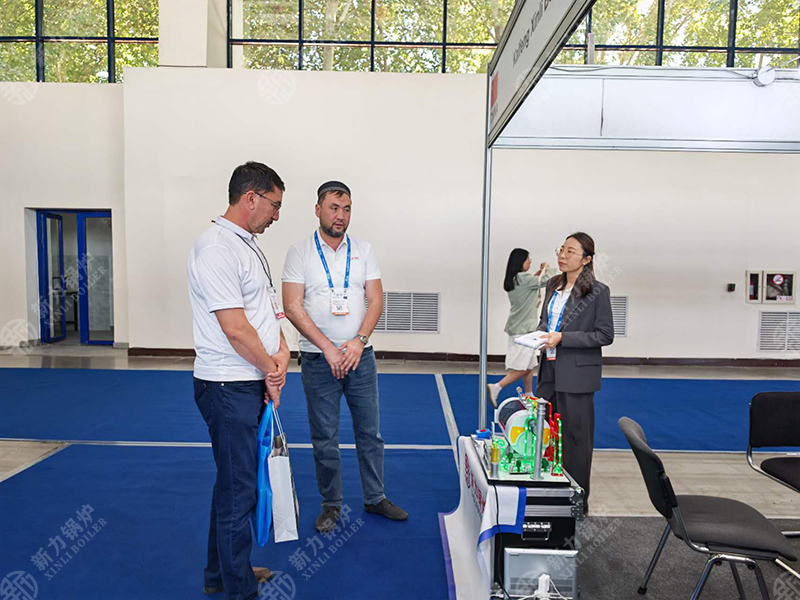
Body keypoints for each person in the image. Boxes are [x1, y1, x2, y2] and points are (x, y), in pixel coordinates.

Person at [188, 162, 291, 600]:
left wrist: (282, 353)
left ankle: (221, 574)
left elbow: (266, 313)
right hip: (228, 386)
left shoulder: (246, 246)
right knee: (239, 490)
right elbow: (234, 328)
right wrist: (271, 368)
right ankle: (239, 589)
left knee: (233, 484)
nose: (276, 215)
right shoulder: (216, 248)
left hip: (248, 381)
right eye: (274, 205)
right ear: (251, 198)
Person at [282, 180, 408, 533]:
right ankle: (331, 504)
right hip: (318, 359)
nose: (341, 215)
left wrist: (358, 341)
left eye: (347, 209)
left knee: (370, 433)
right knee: (325, 438)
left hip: (359, 357)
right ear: (318, 210)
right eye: (334, 208)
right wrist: (328, 348)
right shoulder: (300, 252)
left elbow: (376, 299)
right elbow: (292, 306)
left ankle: (375, 497)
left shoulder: (363, 250)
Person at [536, 232, 614, 515]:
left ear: (586, 259)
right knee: (548, 436)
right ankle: (552, 493)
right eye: (562, 249)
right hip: (549, 371)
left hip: (577, 376)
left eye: (571, 251)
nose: (563, 256)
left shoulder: (597, 292)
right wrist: (539, 335)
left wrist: (563, 338)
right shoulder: (552, 285)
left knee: (576, 441)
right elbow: (545, 322)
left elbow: (604, 335)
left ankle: (578, 501)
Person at [487, 248, 554, 407]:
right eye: (528, 259)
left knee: (529, 364)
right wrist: (548, 268)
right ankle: (497, 387)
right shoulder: (524, 279)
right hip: (524, 330)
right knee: (524, 367)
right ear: (520, 261)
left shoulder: (515, 279)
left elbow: (534, 282)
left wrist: (539, 273)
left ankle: (529, 394)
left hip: (517, 327)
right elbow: (548, 280)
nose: (530, 261)